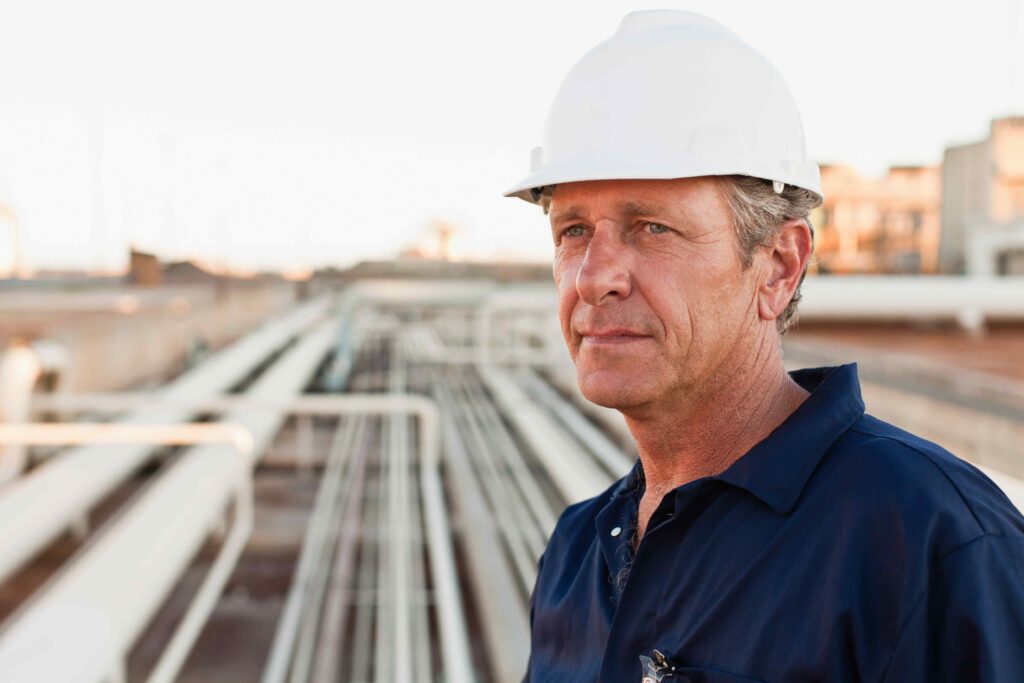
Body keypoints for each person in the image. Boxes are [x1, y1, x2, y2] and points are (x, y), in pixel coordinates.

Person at [504, 10, 1024, 682]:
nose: (595, 276)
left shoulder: (932, 544)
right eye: (572, 230)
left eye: (653, 227)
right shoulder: (576, 552)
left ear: (779, 264)